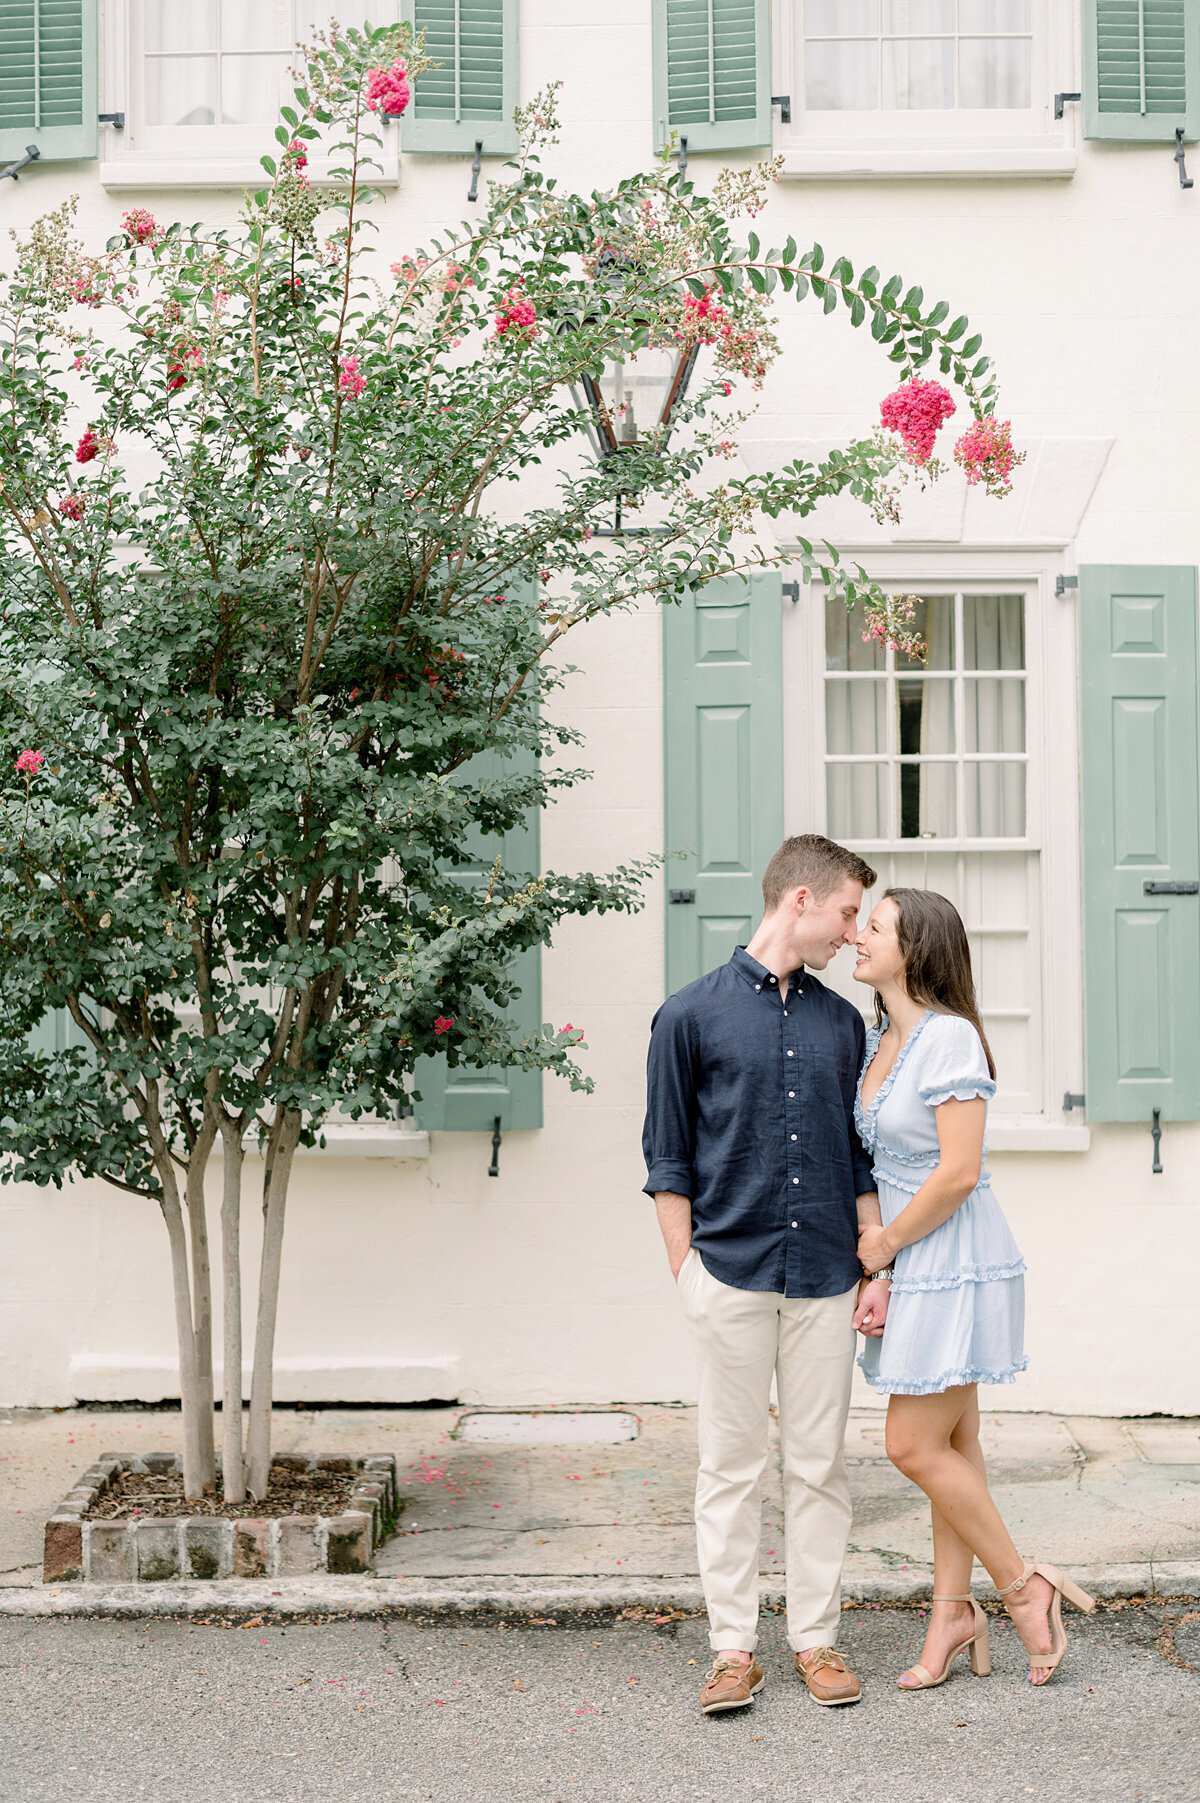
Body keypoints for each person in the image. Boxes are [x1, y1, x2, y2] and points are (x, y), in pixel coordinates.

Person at [642, 834, 894, 1715]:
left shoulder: (843, 1025)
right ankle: (732, 1649)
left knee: (819, 1465)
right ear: (801, 901)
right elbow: (667, 1161)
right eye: (847, 912)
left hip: (827, 1273)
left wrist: (876, 1264)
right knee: (731, 1466)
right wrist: (689, 1275)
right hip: (730, 1274)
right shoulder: (689, 1016)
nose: (853, 934)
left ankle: (816, 1641)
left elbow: (861, 1159)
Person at [852, 886, 1094, 1689]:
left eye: (874, 926)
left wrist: (883, 1242)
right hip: (911, 1260)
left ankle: (1025, 1587)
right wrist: (883, 1262)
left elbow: (957, 1171)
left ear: (913, 948)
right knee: (953, 1444)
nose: (857, 934)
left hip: (954, 1255)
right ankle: (950, 1614)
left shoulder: (949, 1037)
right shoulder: (880, 1034)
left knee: (910, 1443)